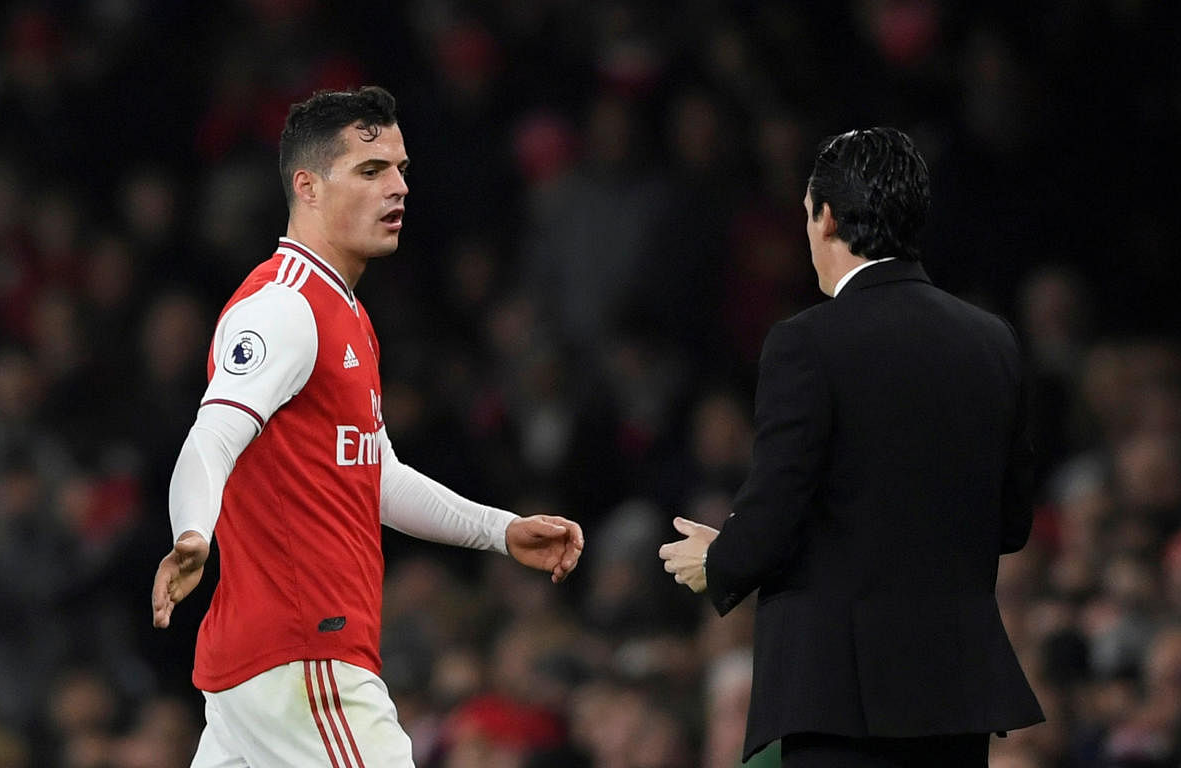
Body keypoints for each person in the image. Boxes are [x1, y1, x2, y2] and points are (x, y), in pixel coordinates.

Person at [150, 86, 584, 768]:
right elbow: (212, 436)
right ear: (309, 187)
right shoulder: (284, 308)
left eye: (402, 169)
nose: (399, 188)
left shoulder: (346, 313)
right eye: (371, 170)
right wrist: (193, 533)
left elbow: (374, 475)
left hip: (262, 673)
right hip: (306, 659)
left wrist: (498, 530)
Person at [659, 127, 1043, 767]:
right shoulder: (992, 339)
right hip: (956, 696)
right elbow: (1011, 522)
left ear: (827, 216)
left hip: (841, 701)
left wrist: (723, 558)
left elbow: (776, 503)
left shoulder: (804, 342)